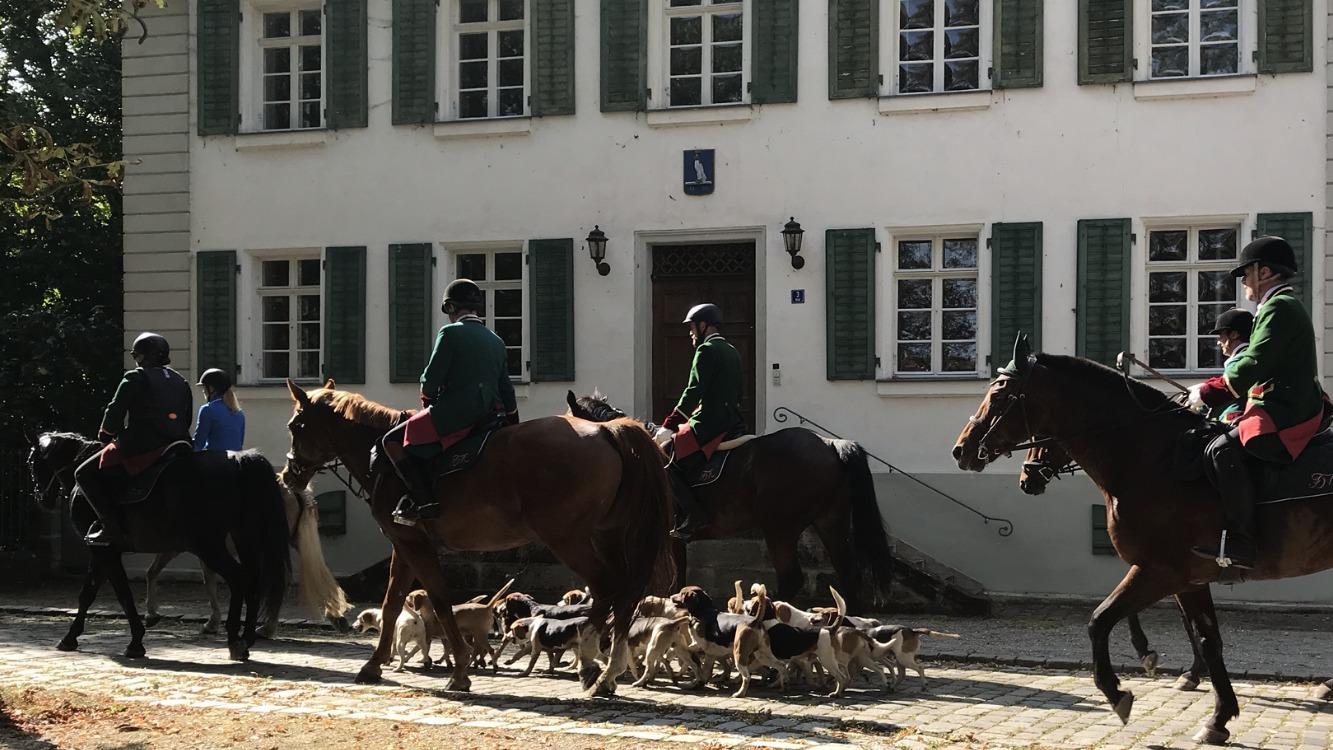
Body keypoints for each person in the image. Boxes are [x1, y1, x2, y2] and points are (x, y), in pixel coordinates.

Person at [1187, 236, 1324, 570]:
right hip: (1275, 402)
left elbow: (1255, 363)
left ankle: (1242, 540)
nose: (1243, 280)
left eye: (1246, 273)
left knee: (1221, 449)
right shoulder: (1277, 306)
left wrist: (1207, 392)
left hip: (1285, 408)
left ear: (1264, 272)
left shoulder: (1280, 307)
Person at [381, 279, 518, 525]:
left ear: (451, 308)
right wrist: (512, 421)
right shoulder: (496, 340)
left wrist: (428, 399)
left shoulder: (450, 332)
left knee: (391, 440)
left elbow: (432, 378)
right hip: (490, 414)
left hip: (457, 413)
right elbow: (506, 388)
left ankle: (424, 501)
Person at [75, 332, 193, 546]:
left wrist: (106, 434)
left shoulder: (135, 377)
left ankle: (109, 526)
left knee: (82, 473)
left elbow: (115, 410)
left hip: (144, 444)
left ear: (141, 357)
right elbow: (187, 416)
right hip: (179, 443)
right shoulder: (180, 380)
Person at [660, 303, 745, 541]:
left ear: (704, 325)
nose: (690, 333)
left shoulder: (706, 350)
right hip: (732, 421)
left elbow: (693, 391)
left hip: (710, 422)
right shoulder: (732, 349)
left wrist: (670, 424)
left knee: (667, 461)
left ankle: (694, 515)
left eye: (692, 328)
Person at [1187, 308, 1253, 425]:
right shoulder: (1243, 356)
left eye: (1221, 335)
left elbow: (1227, 395)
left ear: (1234, 334)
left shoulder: (1241, 358)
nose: (1218, 342)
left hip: (1235, 420)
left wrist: (1203, 399)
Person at [193, 368, 245, 451]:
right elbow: (239, 444)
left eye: (204, 388)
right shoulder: (239, 413)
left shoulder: (207, 410)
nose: (203, 391)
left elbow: (199, 444)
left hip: (215, 461)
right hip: (234, 461)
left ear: (211, 388)